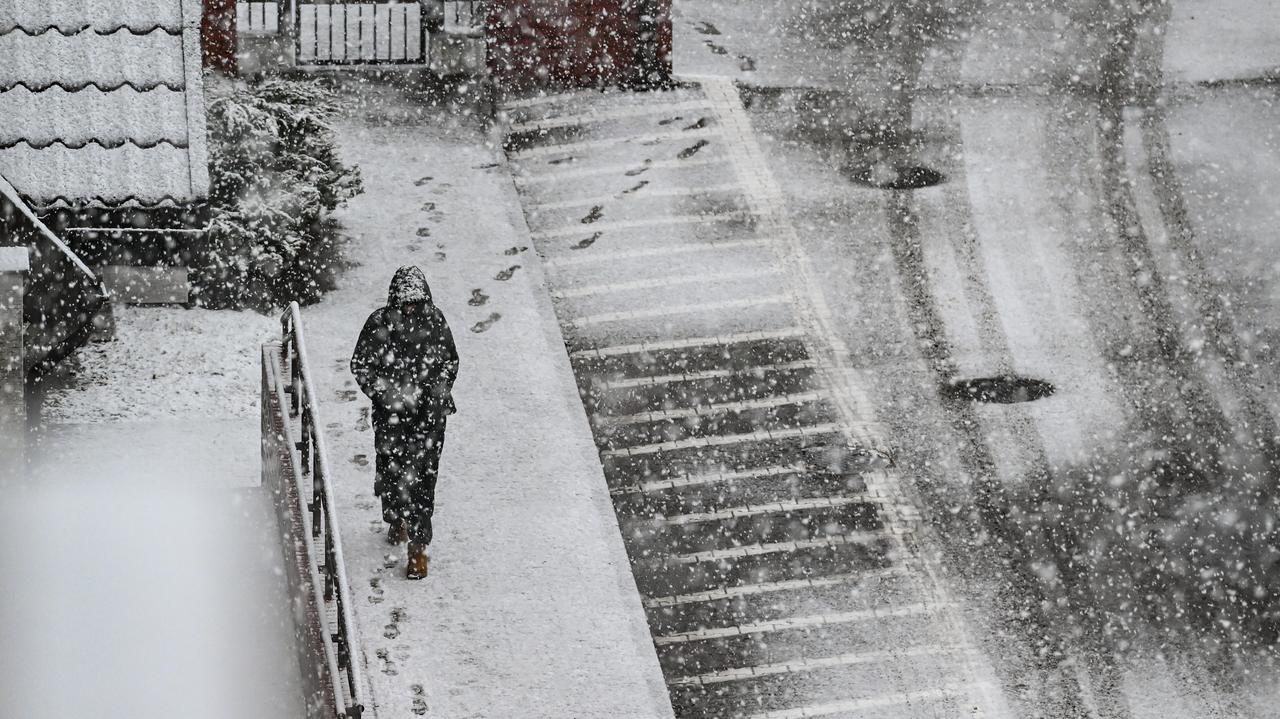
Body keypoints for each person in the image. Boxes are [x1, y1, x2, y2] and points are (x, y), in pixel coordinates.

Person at [351, 266, 458, 580]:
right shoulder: (379, 323)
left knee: (424, 482)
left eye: (415, 302)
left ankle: (418, 548)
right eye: (404, 302)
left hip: (429, 418)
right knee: (391, 470)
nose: (410, 308)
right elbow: (361, 364)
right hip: (391, 417)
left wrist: (435, 393)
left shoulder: (435, 321)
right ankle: (396, 517)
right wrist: (387, 395)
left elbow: (450, 361)